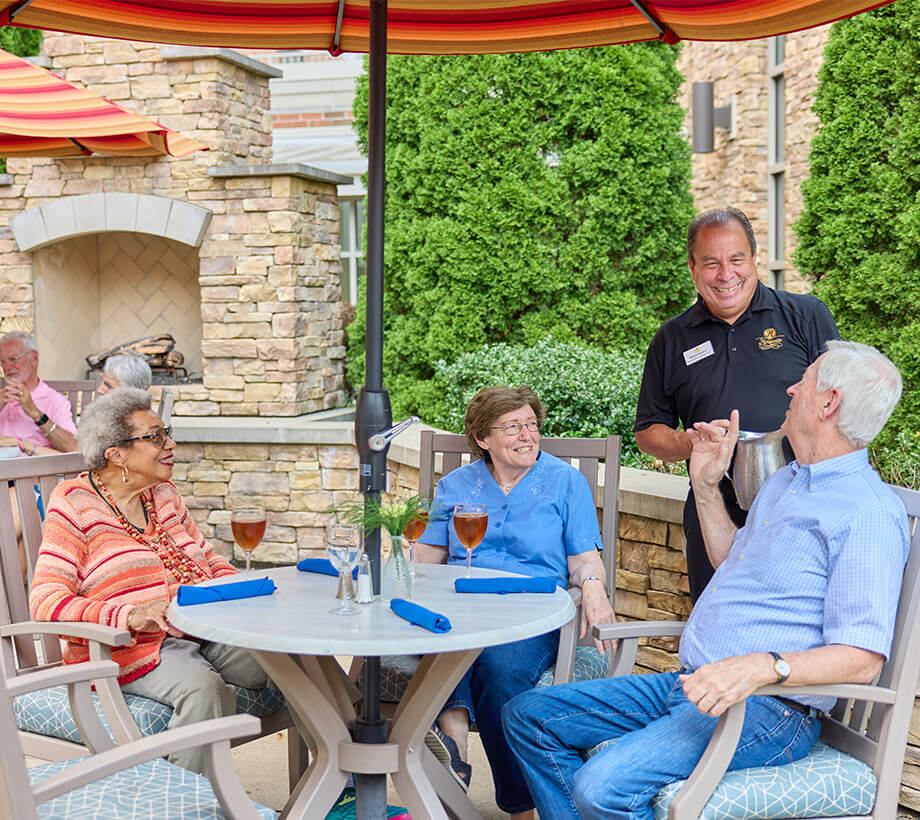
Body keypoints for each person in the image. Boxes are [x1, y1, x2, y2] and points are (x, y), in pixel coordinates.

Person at [502, 340, 908, 820]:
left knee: (600, 786)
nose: (792, 387)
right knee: (528, 716)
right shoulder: (788, 481)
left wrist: (759, 668)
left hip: (765, 710)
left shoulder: (867, 512)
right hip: (691, 686)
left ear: (829, 402)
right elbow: (728, 557)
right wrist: (705, 484)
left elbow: (862, 660)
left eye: (806, 380)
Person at [29, 388, 270, 775]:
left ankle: (343, 784)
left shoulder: (163, 493)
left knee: (288, 656)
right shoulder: (74, 503)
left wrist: (237, 592)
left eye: (167, 433)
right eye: (156, 437)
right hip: (124, 649)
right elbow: (46, 601)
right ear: (116, 454)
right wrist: (128, 616)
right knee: (201, 689)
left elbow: (205, 555)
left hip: (197, 626)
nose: (170, 444)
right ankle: (187, 808)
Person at [415, 385, 616, 820]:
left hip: (534, 614)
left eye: (531, 424)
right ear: (483, 439)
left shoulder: (565, 482)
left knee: (500, 668)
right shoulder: (455, 486)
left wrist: (595, 589)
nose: (527, 435)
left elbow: (584, 560)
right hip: (461, 605)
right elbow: (425, 560)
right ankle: (455, 746)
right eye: (512, 427)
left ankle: (515, 805)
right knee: (442, 639)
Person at [634, 207, 839, 602]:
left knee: (799, 630)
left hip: (802, 508)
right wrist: (690, 444)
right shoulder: (670, 339)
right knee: (717, 625)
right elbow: (648, 433)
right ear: (692, 268)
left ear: (755, 259)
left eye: (736, 260)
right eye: (711, 263)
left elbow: (840, 404)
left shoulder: (805, 316)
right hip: (713, 508)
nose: (726, 275)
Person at [0, 331, 77, 455]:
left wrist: (36, 414)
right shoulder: (1, 397)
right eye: (2, 361)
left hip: (36, 471)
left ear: (34, 358)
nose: (7, 367)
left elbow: (72, 448)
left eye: (13, 359)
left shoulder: (55, 401)